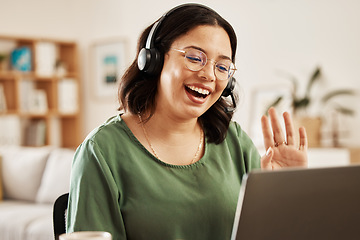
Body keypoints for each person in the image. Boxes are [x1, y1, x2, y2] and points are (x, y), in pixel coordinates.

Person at [66, 3, 308, 240]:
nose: (209, 75)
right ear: (154, 60)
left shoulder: (235, 142)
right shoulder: (102, 151)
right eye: (194, 58)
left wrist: (287, 197)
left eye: (222, 66)